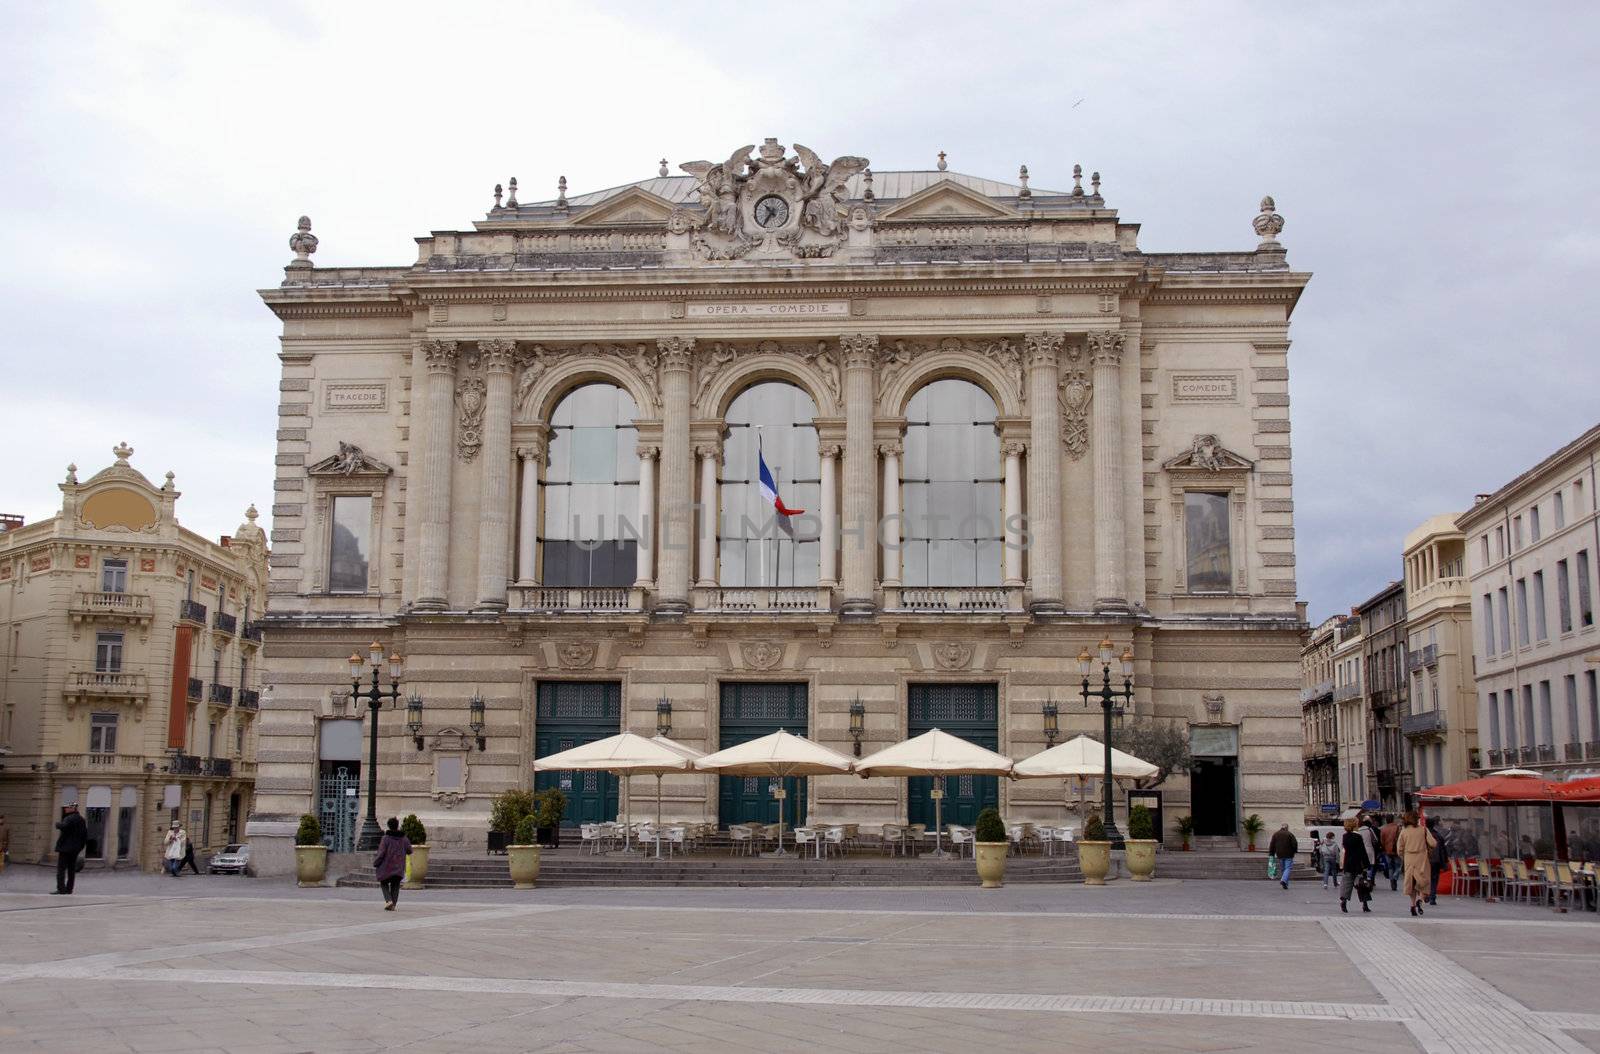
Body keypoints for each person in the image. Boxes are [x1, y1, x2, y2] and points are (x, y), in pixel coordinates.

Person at [1395, 811, 1437, 916]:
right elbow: (1433, 843)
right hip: (1422, 859)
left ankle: (1412, 905)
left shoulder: (1404, 832)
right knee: (1423, 882)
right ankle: (1420, 901)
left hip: (1409, 859)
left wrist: (1404, 856)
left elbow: (1399, 849)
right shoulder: (1423, 830)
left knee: (1411, 884)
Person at [372, 816, 412, 911]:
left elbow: (381, 853)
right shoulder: (404, 839)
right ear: (397, 826)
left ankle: (388, 900)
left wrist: (376, 862)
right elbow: (410, 850)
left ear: (389, 826)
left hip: (386, 867)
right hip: (399, 866)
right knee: (396, 884)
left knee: (383, 882)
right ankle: (393, 904)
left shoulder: (385, 838)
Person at [53, 802, 88, 895]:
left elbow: (64, 826)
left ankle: (61, 889)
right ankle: (69, 889)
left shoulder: (69, 818)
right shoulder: (81, 820)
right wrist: (80, 847)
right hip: (75, 849)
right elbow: (85, 835)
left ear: (73, 809)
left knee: (61, 869)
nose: (65, 809)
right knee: (71, 869)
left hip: (65, 848)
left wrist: (58, 824)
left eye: (67, 807)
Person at [1340, 817, 1373, 914]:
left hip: (1348, 863)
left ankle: (1344, 901)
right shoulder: (1358, 837)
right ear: (1354, 825)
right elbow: (1362, 852)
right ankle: (1365, 905)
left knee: (1347, 884)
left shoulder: (1345, 836)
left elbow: (1345, 850)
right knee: (1362, 884)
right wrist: (1366, 864)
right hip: (1358, 864)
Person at [1268, 823, 1298, 889]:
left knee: (1283, 869)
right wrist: (1294, 851)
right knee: (1288, 868)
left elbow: (1272, 844)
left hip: (1280, 854)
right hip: (1289, 854)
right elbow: (1295, 843)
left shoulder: (1276, 834)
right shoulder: (1290, 834)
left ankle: (1285, 884)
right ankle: (1284, 880)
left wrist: (1271, 853)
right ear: (1287, 828)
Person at [1426, 817, 1447, 906]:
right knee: (1434, 879)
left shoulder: (1424, 835)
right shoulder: (1438, 835)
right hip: (1436, 860)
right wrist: (1444, 861)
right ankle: (1432, 897)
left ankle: (1426, 894)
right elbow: (1443, 849)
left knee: (1425, 878)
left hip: (1425, 860)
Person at [1380, 815, 1401, 891]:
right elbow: (1400, 838)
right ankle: (1395, 878)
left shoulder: (1383, 829)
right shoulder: (1397, 827)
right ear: (1393, 819)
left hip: (1387, 850)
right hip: (1396, 850)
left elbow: (1382, 840)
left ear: (1386, 820)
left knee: (1390, 867)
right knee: (1398, 866)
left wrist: (1385, 847)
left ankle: (1392, 880)